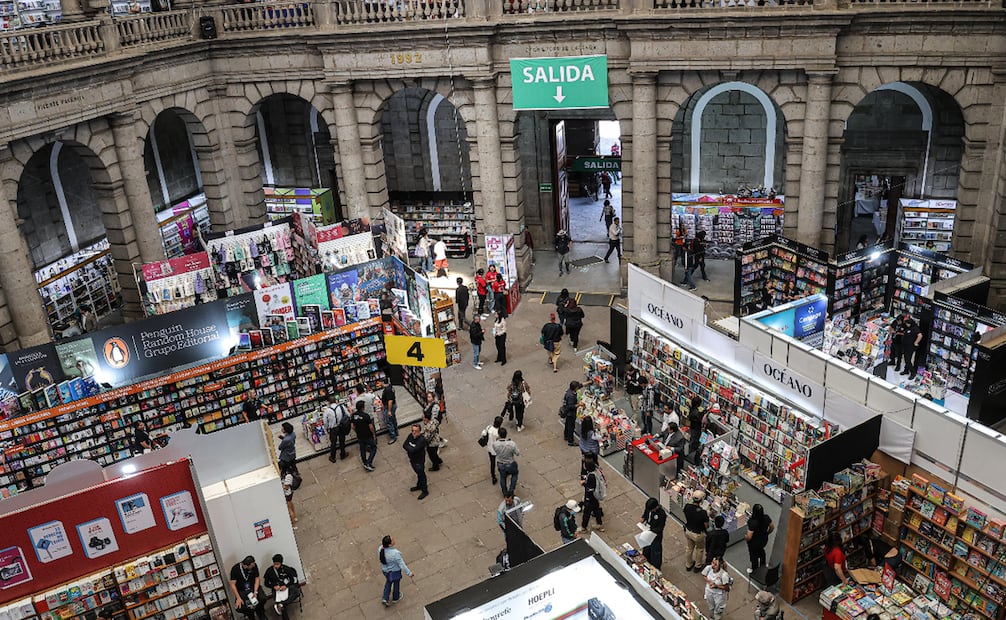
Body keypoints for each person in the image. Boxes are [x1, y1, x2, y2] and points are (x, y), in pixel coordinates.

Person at [378, 535, 414, 606]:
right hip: (394, 571)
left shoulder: (380, 549)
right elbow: (402, 565)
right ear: (389, 544)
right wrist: (409, 573)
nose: (394, 539)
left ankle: (385, 598)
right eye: (392, 540)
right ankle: (396, 597)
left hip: (385, 571)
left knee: (388, 582)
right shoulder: (395, 553)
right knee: (396, 584)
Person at [263, 554, 300, 620]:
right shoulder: (269, 571)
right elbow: (266, 583)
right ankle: (283, 610)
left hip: (286, 587)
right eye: (274, 564)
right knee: (279, 602)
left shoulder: (286, 569)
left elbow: (292, 580)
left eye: (277, 564)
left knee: (296, 592)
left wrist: (286, 586)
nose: (276, 566)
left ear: (281, 563)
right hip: (277, 589)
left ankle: (282, 604)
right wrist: (273, 586)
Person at [229, 555, 267, 620]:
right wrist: (238, 598)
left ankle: (260, 612)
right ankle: (250, 614)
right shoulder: (235, 569)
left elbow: (257, 578)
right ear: (246, 566)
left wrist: (255, 592)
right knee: (239, 608)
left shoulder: (254, 565)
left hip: (253, 587)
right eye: (252, 566)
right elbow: (232, 584)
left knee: (263, 598)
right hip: (242, 590)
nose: (254, 566)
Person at [683, 490, 709, 572]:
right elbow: (706, 526)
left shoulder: (687, 507)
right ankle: (698, 566)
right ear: (701, 500)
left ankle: (688, 564)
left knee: (689, 548)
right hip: (698, 534)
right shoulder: (703, 513)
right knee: (699, 549)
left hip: (688, 530)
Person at [403, 424, 429, 500]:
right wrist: (410, 448)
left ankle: (425, 490)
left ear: (419, 431)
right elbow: (404, 445)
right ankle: (419, 485)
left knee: (421, 474)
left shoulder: (421, 440)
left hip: (419, 461)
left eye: (416, 431)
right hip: (412, 459)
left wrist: (409, 447)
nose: (414, 432)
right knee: (418, 473)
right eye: (412, 430)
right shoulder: (410, 436)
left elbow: (414, 450)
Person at [746, 503, 774, 573]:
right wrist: (767, 533)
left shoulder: (752, 522)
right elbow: (772, 527)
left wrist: (746, 538)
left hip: (754, 543)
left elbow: (749, 536)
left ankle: (754, 569)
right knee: (761, 552)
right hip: (764, 540)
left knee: (753, 555)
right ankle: (763, 566)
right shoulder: (766, 518)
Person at [351, 399, 377, 472]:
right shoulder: (366, 416)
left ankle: (365, 462)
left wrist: (357, 431)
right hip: (368, 435)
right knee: (374, 448)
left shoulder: (354, 415)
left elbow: (353, 426)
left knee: (362, 449)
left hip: (360, 436)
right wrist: (374, 434)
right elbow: (371, 427)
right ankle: (369, 462)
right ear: (362, 408)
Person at [493, 427, 520, 497]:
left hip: (501, 463)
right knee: (514, 474)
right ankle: (511, 490)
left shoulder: (495, 444)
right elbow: (517, 453)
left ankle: (505, 492)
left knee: (503, 477)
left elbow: (495, 451)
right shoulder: (511, 444)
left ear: (499, 435)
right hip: (510, 463)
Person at [640, 497, 667, 568]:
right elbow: (646, 513)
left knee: (655, 553)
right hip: (647, 532)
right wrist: (643, 518)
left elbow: (660, 528)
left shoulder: (661, 514)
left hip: (655, 536)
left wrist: (651, 531)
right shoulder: (649, 509)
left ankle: (656, 568)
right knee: (646, 550)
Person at [580, 458, 604, 532]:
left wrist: (584, 483)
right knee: (596, 510)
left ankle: (584, 527)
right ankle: (599, 524)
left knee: (587, 512)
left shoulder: (591, 476)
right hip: (595, 497)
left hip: (590, 498)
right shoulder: (595, 472)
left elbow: (590, 488)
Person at [323, 397, 350, 462]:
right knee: (342, 441)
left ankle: (333, 457)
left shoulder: (327, 410)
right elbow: (348, 415)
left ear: (329, 402)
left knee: (333, 443)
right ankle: (343, 454)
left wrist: (326, 428)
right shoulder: (341, 407)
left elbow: (325, 421)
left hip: (333, 429)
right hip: (341, 427)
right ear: (336, 401)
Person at [421, 394, 444, 472]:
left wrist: (424, 441)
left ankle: (436, 466)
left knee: (432, 454)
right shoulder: (429, 424)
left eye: (430, 397)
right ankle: (439, 460)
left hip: (432, 442)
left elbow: (429, 435)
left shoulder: (431, 424)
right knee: (433, 454)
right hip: (434, 439)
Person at [481, 415, 504, 485]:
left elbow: (483, 433)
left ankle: (493, 476)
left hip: (490, 448)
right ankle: (504, 471)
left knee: (492, 463)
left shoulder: (489, 427)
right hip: (497, 449)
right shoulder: (498, 432)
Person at [900, 314, 923, 379]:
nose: (906, 325)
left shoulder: (915, 328)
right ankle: (906, 370)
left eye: (907, 324)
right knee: (906, 358)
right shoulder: (908, 327)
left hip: (910, 347)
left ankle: (913, 372)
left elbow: (920, 335)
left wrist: (916, 342)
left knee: (907, 360)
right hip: (905, 345)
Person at [561, 381, 581, 446]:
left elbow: (580, 385)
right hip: (570, 414)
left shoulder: (569, 391)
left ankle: (566, 436)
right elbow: (571, 406)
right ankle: (571, 441)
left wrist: (589, 382)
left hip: (567, 413)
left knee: (567, 425)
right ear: (575, 388)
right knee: (571, 427)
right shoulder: (571, 396)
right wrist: (579, 404)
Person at [686, 396, 705, 462]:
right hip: (696, 429)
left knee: (692, 442)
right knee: (694, 442)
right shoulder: (696, 412)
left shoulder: (693, 409)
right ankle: (692, 457)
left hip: (693, 428)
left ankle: (690, 455)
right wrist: (705, 411)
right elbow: (699, 418)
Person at [280, 460, 297, 529]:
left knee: (289, 509)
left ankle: (294, 524)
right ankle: (295, 517)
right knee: (291, 505)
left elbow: (286, 487)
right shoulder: (288, 474)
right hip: (289, 493)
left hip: (287, 494)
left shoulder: (287, 476)